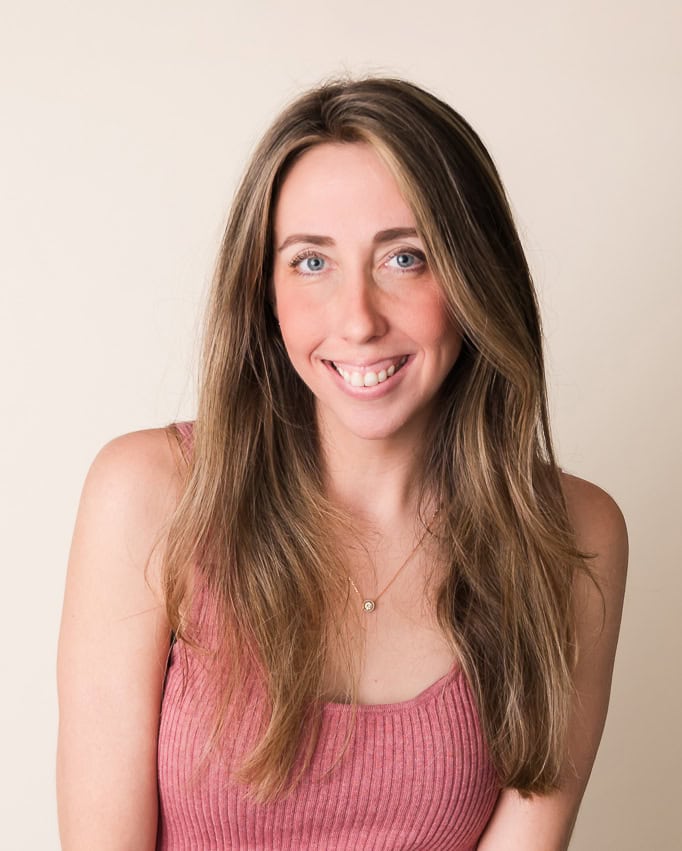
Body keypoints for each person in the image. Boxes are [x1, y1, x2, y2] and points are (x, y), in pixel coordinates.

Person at [56, 77, 628, 850]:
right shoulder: (151, 496)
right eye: (311, 262)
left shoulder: (573, 535)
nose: (358, 320)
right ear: (264, 292)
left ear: (474, 277)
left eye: (405, 257)